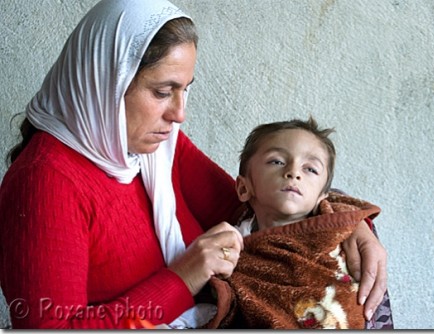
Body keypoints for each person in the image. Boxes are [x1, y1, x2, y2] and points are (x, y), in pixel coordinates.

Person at [0, 0, 387, 329]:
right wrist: (183, 278)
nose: (179, 114)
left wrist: (347, 223)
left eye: (185, 90)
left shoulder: (155, 147)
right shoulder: (45, 183)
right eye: (162, 91)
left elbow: (257, 200)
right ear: (105, 83)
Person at [199, 118, 391, 329]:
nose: (293, 172)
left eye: (310, 169)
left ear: (322, 197)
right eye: (277, 161)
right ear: (244, 189)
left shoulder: (340, 229)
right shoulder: (229, 242)